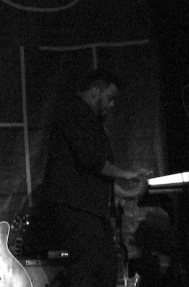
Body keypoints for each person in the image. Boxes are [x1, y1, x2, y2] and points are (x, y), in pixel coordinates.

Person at [39, 69, 151, 287]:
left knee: (105, 268)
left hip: (88, 209)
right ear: (95, 90)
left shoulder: (89, 118)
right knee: (88, 270)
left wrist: (126, 193)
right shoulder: (74, 111)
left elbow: (92, 174)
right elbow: (92, 159)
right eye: (110, 97)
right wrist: (126, 174)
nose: (112, 105)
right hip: (75, 208)